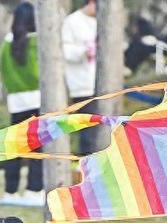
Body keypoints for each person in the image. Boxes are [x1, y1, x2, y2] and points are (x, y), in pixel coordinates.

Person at [0, 1, 44, 207]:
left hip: (16, 102)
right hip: (37, 100)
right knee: (38, 148)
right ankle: (34, 189)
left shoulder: (7, 43)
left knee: (14, 148)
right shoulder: (37, 42)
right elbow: (37, 73)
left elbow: (3, 72)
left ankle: (10, 191)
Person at [62, 0, 97, 155]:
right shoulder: (72, 21)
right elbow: (65, 50)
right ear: (91, 2)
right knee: (86, 131)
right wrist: (83, 51)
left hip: (100, 85)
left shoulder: (100, 21)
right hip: (81, 85)